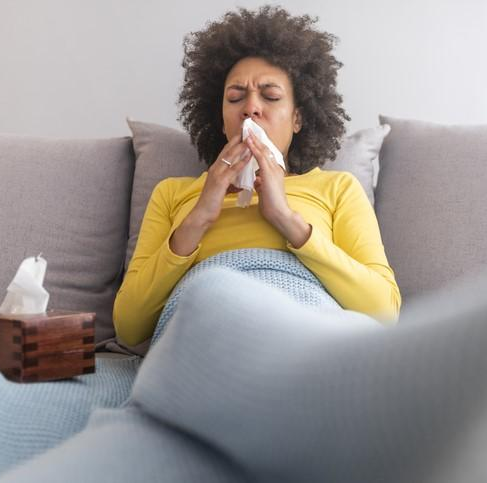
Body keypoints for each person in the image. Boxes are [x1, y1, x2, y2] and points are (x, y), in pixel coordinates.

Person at [112, 5, 401, 348]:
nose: (251, 108)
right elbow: (129, 327)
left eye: (271, 96)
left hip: (304, 332)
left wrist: (284, 217)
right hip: (204, 333)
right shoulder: (173, 194)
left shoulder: (337, 189)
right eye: (236, 98)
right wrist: (200, 216)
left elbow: (384, 311)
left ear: (297, 119)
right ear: (221, 120)